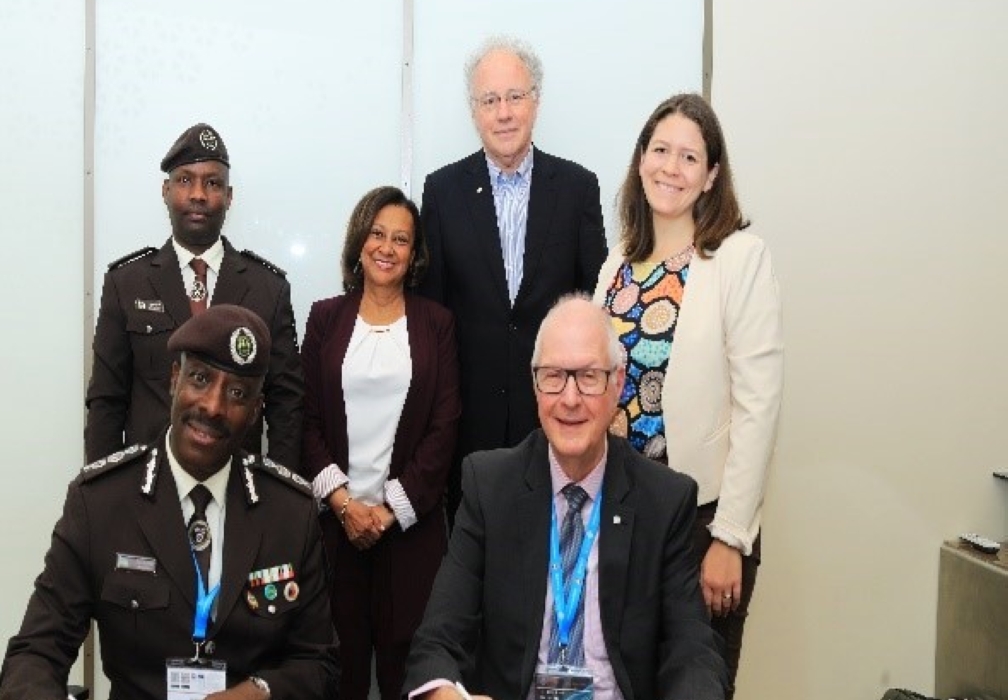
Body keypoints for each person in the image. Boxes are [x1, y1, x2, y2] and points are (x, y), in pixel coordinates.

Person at [0, 304, 339, 700]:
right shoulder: (100, 502)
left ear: (255, 412)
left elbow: (320, 664)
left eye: (237, 393)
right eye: (200, 378)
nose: (213, 407)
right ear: (174, 380)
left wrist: (261, 692)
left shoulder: (289, 512)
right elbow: (36, 652)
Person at [403, 295, 727, 700]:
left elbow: (693, 650)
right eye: (554, 376)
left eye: (589, 376)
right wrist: (443, 694)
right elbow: (437, 639)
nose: (569, 399)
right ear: (534, 383)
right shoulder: (489, 486)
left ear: (618, 383)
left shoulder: (664, 500)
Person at [592, 93, 783, 698]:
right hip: (618, 516)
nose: (670, 168)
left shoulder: (738, 258)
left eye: (689, 156)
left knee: (695, 684)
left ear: (712, 175)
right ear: (641, 159)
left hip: (701, 520)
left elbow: (759, 407)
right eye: (660, 150)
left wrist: (730, 537)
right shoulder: (616, 262)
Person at [416, 35, 607, 523]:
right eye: (489, 100)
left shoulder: (577, 189)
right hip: (468, 429)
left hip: (560, 420)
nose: (503, 112)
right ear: (474, 111)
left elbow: (595, 310)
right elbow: (431, 320)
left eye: (515, 97)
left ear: (535, 103)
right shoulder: (443, 191)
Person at [300, 186, 461, 700]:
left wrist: (388, 511)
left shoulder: (436, 324)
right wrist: (345, 505)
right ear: (359, 240)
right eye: (377, 234)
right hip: (334, 532)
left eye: (401, 239)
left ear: (415, 255)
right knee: (337, 672)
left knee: (409, 674)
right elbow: (305, 420)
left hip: (410, 535)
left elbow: (445, 426)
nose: (387, 248)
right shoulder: (325, 317)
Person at [85, 122, 304, 469]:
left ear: (229, 197)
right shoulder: (126, 284)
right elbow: (106, 402)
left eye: (213, 183)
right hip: (147, 491)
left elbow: (287, 407)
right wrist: (102, 498)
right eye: (185, 180)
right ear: (166, 190)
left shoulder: (269, 290)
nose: (198, 194)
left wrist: (280, 502)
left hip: (238, 493)